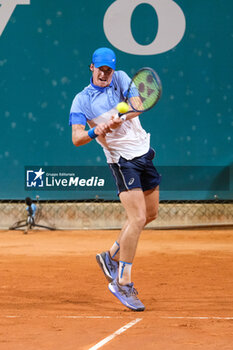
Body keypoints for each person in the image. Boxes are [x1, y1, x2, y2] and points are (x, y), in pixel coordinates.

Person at [69, 47, 161, 311]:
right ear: (92, 67)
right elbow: (76, 138)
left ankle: (109, 257)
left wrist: (117, 116)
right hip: (122, 161)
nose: (105, 74)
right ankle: (122, 281)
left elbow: (138, 106)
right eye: (101, 69)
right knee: (138, 218)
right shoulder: (81, 101)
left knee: (151, 213)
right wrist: (95, 129)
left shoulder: (120, 78)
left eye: (108, 70)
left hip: (143, 152)